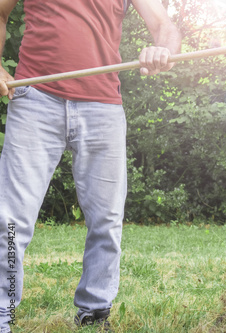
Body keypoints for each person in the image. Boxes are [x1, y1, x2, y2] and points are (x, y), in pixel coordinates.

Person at [0, 0, 181, 331]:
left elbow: (163, 25)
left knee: (107, 220)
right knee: (10, 220)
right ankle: (1, 313)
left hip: (103, 106)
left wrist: (163, 50)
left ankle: (95, 312)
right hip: (35, 100)